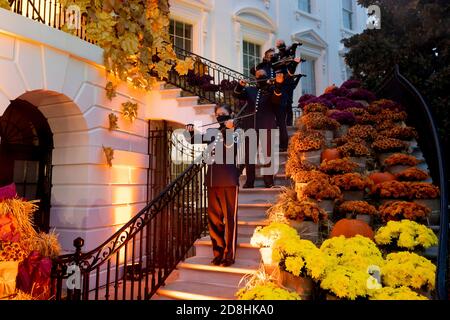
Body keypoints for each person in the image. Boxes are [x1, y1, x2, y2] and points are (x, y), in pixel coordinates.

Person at [184, 105, 239, 267]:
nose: (220, 116)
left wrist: (229, 130)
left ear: (231, 114)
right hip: (212, 181)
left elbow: (231, 150)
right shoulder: (212, 132)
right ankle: (218, 253)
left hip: (228, 181)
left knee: (229, 220)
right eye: (218, 114)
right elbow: (195, 140)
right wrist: (191, 131)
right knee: (214, 220)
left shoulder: (236, 132)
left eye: (224, 113)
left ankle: (229, 255)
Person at [233, 70, 284, 188]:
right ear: (255, 78)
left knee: (267, 154)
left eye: (263, 75)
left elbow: (277, 100)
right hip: (251, 125)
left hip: (267, 124)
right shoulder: (250, 90)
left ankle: (268, 180)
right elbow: (236, 94)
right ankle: (250, 181)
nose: (260, 76)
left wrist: (279, 84)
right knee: (249, 154)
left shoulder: (272, 89)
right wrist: (240, 85)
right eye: (258, 75)